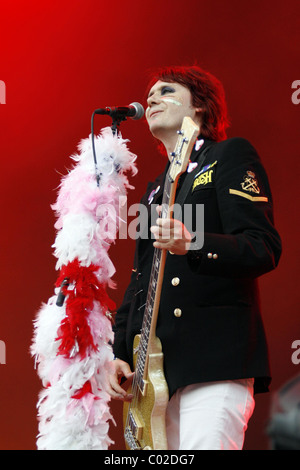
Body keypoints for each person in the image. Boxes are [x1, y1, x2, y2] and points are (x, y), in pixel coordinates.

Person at [106, 65, 282, 450]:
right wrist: (118, 352)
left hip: (212, 364)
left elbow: (262, 245)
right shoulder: (154, 190)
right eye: (150, 93)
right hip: (151, 379)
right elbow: (140, 280)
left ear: (199, 107)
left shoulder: (228, 155)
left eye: (166, 91)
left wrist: (195, 242)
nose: (152, 99)